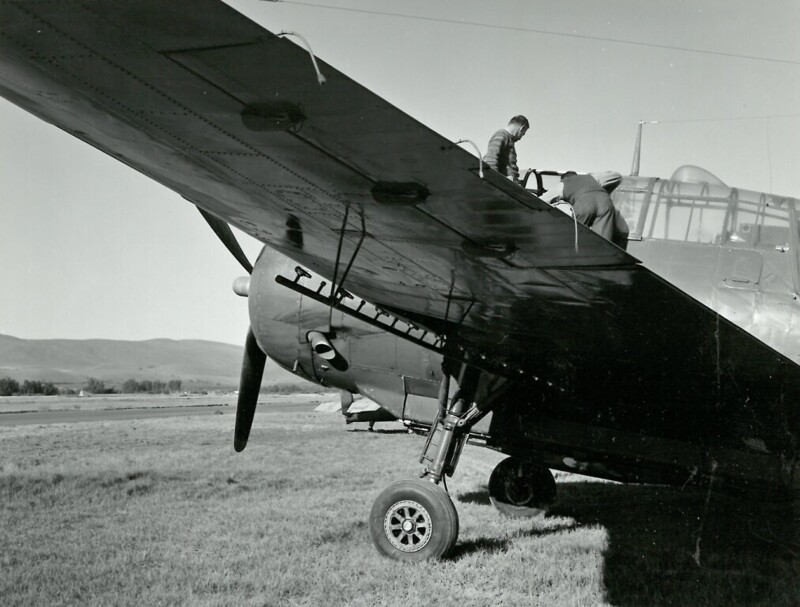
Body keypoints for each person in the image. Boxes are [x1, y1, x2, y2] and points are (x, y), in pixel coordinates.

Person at [543, 170, 629, 248]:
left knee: (574, 237)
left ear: (563, 178)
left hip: (584, 203)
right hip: (605, 202)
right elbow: (617, 176)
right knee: (603, 243)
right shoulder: (592, 177)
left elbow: (541, 200)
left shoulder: (563, 184)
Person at [483, 115, 529, 183]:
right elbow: (491, 160)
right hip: (503, 185)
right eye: (522, 134)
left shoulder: (508, 138)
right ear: (522, 128)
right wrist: (496, 182)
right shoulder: (501, 135)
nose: (520, 138)